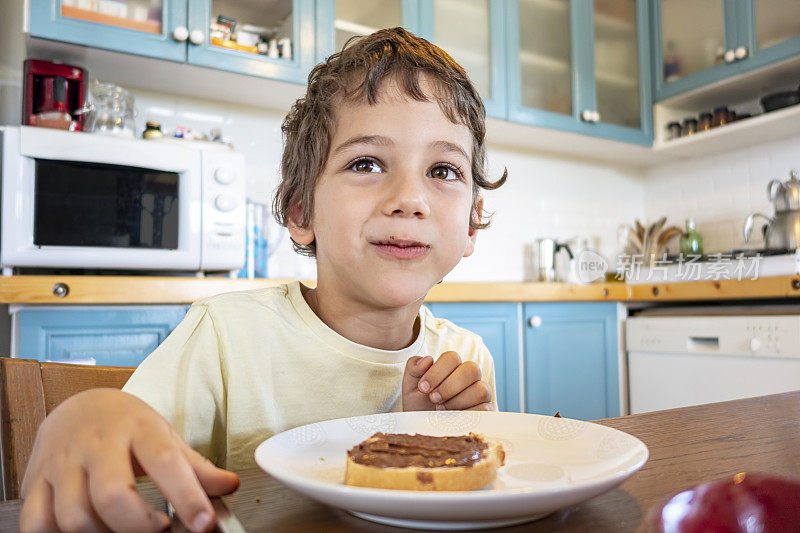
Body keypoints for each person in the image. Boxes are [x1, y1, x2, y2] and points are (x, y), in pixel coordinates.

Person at [19, 27, 507, 533]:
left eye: (444, 170)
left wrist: (441, 436)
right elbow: (125, 439)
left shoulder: (468, 361)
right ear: (300, 210)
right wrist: (84, 415)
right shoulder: (226, 337)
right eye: (366, 163)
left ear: (471, 224)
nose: (411, 198)